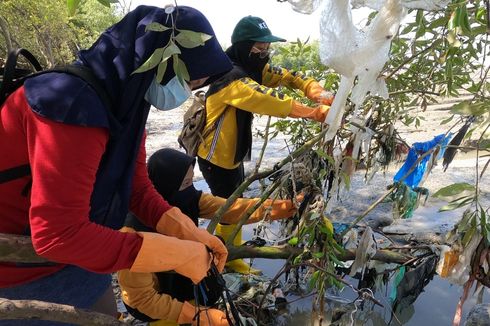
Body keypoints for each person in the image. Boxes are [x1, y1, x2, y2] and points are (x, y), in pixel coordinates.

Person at [0, 5, 233, 325]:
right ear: (159, 62)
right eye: (191, 82)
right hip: (22, 278)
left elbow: (136, 185)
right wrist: (176, 254)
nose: (187, 93)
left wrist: (186, 232)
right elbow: (57, 235)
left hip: (88, 259)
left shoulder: (126, 104)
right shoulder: (69, 105)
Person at [196, 15, 334, 274]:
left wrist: (316, 91)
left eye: (267, 48)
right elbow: (271, 100)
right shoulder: (230, 76)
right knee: (228, 208)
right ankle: (226, 260)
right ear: (243, 46)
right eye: (259, 48)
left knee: (232, 202)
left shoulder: (252, 68)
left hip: (232, 154)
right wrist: (314, 113)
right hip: (215, 157)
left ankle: (227, 256)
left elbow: (290, 77)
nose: (265, 53)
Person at [117, 148, 300, 325]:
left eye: (191, 181)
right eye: (186, 184)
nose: (191, 189)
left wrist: (283, 208)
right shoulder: (132, 233)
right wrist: (195, 317)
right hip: (155, 298)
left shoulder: (188, 199)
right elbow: (142, 299)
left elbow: (234, 208)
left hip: (183, 277)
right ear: (166, 185)